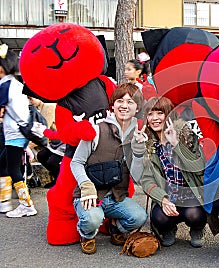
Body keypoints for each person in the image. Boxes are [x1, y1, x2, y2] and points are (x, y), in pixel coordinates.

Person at [70, 83, 147, 254]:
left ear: (137, 108)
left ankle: (115, 227)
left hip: (116, 198)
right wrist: (85, 185)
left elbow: (137, 176)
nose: (124, 105)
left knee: (140, 217)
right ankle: (87, 234)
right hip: (91, 195)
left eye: (130, 102)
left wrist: (140, 152)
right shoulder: (97, 131)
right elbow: (76, 162)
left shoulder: (137, 136)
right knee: (92, 218)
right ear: (113, 105)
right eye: (120, 100)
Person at [139, 96, 207, 248]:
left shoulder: (187, 137)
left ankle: (197, 229)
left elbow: (199, 168)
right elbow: (146, 180)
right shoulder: (148, 145)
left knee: (195, 216)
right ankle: (169, 228)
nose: (154, 118)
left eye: (159, 113)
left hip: (191, 197)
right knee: (159, 218)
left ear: (169, 115)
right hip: (168, 198)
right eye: (150, 114)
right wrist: (162, 199)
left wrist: (176, 144)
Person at [0, 44, 37, 217]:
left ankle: (26, 205)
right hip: (19, 133)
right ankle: (5, 202)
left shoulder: (5, 86)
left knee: (13, 169)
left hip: (14, 134)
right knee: (4, 165)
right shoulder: (16, 84)